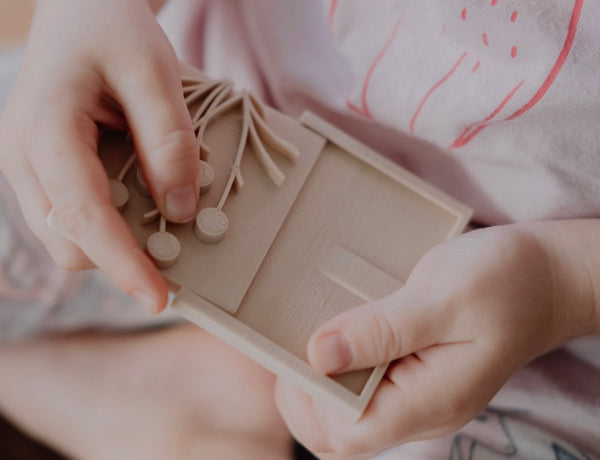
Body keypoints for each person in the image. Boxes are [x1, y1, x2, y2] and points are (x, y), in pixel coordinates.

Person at [0, 0, 598, 458]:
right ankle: (183, 401)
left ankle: (199, 412)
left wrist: (562, 283)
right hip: (177, 114)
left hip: (545, 322)